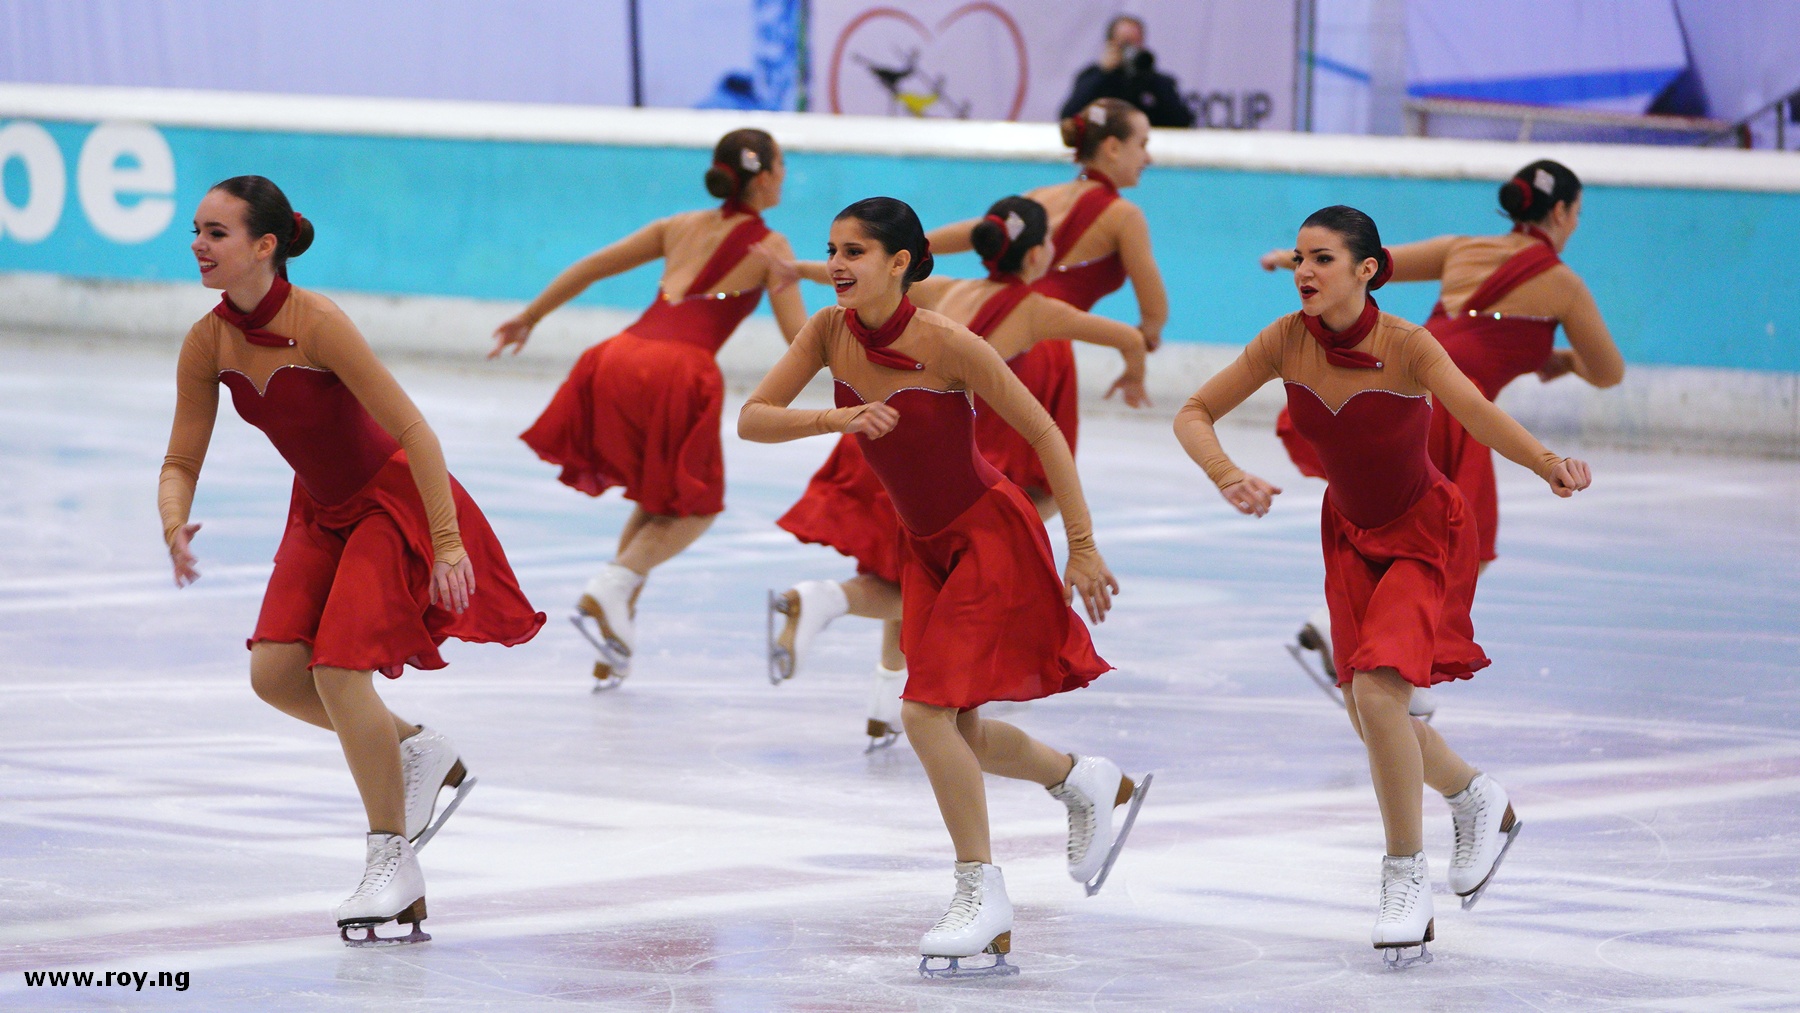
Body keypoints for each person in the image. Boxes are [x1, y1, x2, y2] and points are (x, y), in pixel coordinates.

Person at [740, 197, 1150, 977]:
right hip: (922, 547)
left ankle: (981, 894)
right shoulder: (828, 330)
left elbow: (1043, 433)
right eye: (832, 249)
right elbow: (753, 417)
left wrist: (1083, 546)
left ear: (900, 263)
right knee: (957, 730)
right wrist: (836, 421)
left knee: (923, 712)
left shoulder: (948, 341)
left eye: (854, 251)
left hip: (988, 537)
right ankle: (1082, 778)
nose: (836, 265)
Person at [1176, 205, 1592, 967]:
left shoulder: (1406, 344)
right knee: (1372, 714)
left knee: (1376, 694)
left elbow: (1476, 411)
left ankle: (1405, 877)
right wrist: (1227, 473)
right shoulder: (1285, 340)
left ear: (1366, 270)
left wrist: (1547, 463)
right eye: (1299, 257)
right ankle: (1474, 795)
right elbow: (1195, 410)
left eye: (1322, 258)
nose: (1304, 271)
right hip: (1349, 539)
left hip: (1425, 532)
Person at [162, 176, 546, 945]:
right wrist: (173, 519)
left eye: (216, 233)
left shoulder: (319, 323)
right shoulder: (208, 341)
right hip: (318, 509)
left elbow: (414, 430)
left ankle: (391, 862)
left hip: (388, 502)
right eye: (196, 231)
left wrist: (446, 541)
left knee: (340, 670)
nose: (199, 245)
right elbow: (181, 457)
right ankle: (415, 746)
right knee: (275, 673)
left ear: (264, 246)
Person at [764, 196, 1148, 752]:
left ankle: (883, 700)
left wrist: (799, 270)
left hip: (877, 443)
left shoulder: (944, 291)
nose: (840, 262)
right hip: (928, 453)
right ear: (1037, 255)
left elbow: (865, 272)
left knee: (909, 581)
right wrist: (1136, 370)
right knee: (936, 573)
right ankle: (830, 603)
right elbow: (1128, 339)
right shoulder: (1036, 309)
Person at [1261, 160, 1621, 711]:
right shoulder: (1564, 285)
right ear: (1561, 212)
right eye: (1577, 212)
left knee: (1397, 527)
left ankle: (1366, 647)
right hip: (1455, 403)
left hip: (1395, 386)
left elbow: (1374, 263)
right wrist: (1566, 359)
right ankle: (1384, 661)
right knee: (1464, 544)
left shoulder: (1461, 248)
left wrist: (1292, 260)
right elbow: (1609, 371)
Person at [490, 128, 808, 688]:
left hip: (617, 356)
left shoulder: (677, 224)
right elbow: (799, 339)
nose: (785, 175)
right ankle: (612, 586)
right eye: (781, 166)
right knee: (697, 509)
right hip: (678, 372)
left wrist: (530, 317)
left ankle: (614, 640)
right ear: (762, 177)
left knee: (657, 499)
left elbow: (593, 266)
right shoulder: (771, 247)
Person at [927, 97, 1168, 517]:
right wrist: (1145, 340)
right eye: (1142, 144)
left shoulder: (1040, 197)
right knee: (1042, 490)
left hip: (990, 325)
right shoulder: (1123, 216)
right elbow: (1154, 309)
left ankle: (968, 549)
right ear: (1113, 148)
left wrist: (911, 248)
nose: (1148, 157)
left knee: (967, 471)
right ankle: (991, 552)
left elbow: (979, 231)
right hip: (1043, 349)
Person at [1058, 15, 1195, 128]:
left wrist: (1149, 76)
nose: (1132, 49)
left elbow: (1182, 122)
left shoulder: (1158, 81)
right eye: (1126, 43)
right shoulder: (1092, 77)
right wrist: (1103, 74)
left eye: (1137, 43)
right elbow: (1069, 116)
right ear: (1111, 44)